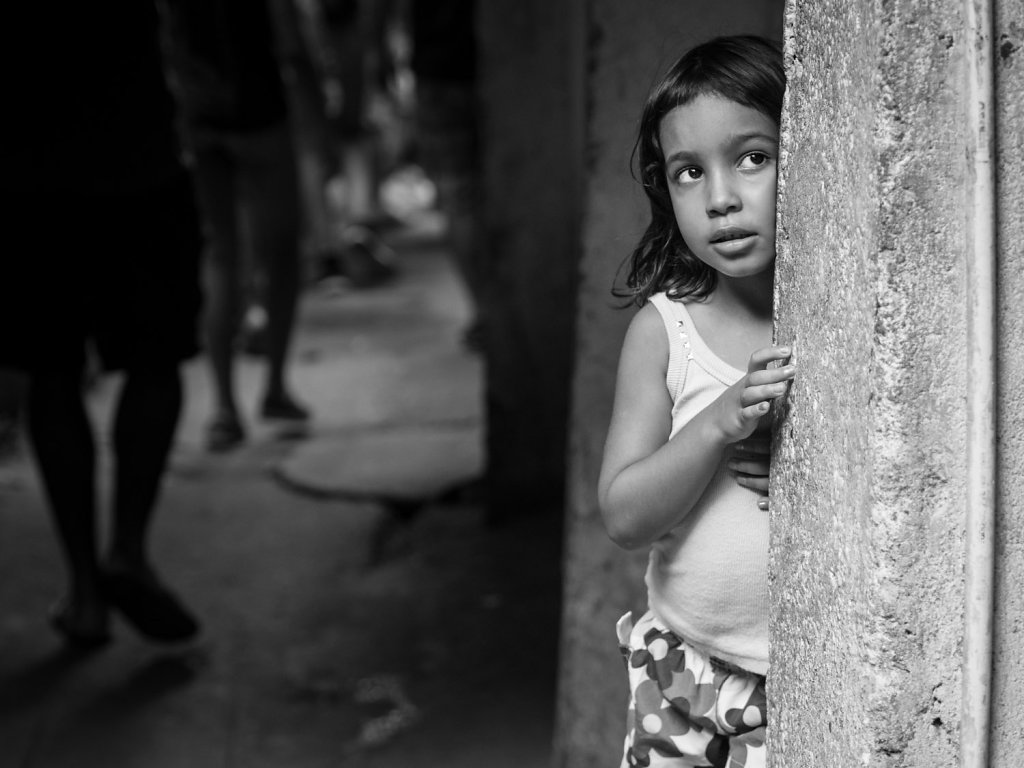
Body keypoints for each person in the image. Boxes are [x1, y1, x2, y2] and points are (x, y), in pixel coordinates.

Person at [597, 36, 794, 767]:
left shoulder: (839, 321)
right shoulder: (666, 333)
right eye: (688, 172)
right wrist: (714, 426)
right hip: (678, 668)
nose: (721, 198)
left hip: (794, 684)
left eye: (753, 157)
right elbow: (623, 515)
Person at [6, 1, 202, 648]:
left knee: (52, 371)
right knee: (156, 363)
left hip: (31, 172)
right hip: (137, 158)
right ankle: (127, 550)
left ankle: (86, 592)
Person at [159, 0, 312, 452]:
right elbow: (290, 44)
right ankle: (275, 387)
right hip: (259, 113)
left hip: (199, 116)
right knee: (281, 254)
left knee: (223, 257)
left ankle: (225, 407)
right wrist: (318, 120)